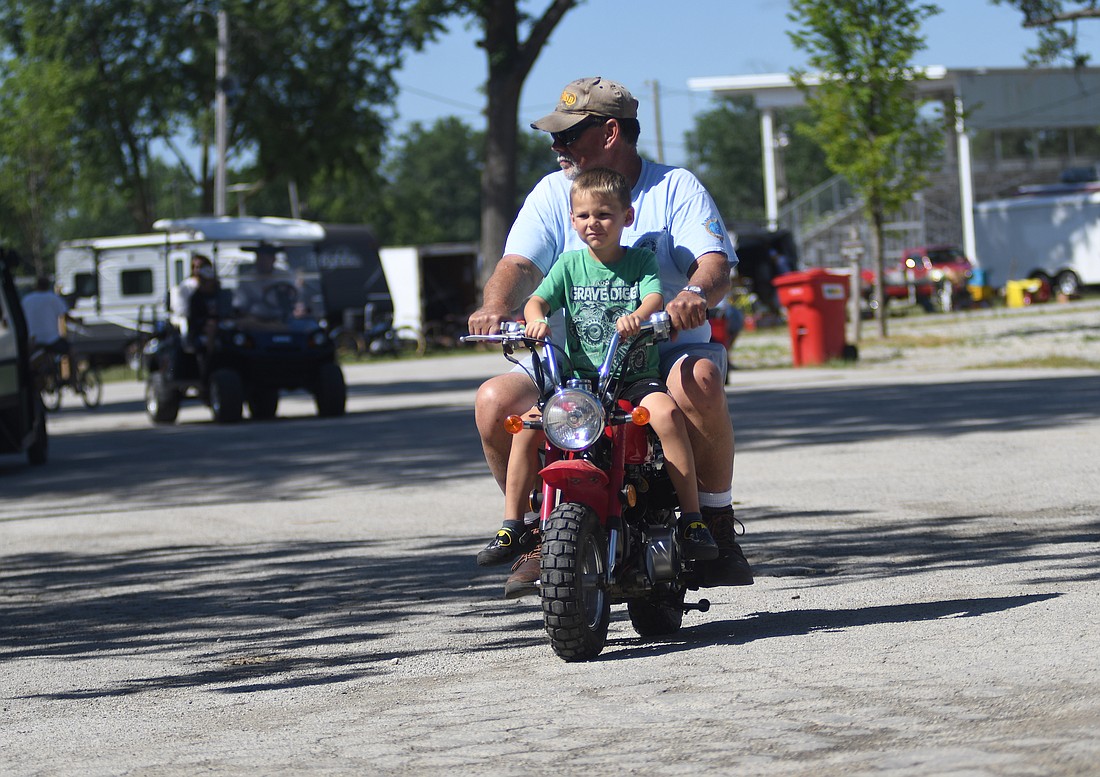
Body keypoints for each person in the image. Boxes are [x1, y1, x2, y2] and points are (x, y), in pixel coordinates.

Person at [468, 76, 753, 597]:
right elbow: (519, 263)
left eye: (569, 136)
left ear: (611, 132)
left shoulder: (675, 188)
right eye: (555, 137)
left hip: (661, 346)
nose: (558, 148)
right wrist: (494, 307)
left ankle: (713, 521)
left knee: (701, 380)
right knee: (494, 402)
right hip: (573, 358)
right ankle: (539, 529)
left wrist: (692, 294)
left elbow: (714, 264)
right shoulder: (555, 192)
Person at [477, 169, 719, 595]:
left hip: (631, 378)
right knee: (528, 425)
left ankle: (695, 518)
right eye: (584, 215)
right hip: (578, 380)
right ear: (572, 221)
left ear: (627, 217)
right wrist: (533, 322)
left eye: (605, 215)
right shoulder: (568, 265)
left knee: (664, 414)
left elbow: (654, 297)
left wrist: (641, 317)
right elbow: (537, 299)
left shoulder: (640, 260)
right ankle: (516, 524)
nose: (594, 223)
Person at [232, 243, 302, 324]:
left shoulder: (285, 276)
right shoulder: (247, 278)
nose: (263, 261)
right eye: (261, 258)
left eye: (267, 258)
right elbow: (241, 301)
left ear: (273, 259)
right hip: (256, 319)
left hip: (282, 318)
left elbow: (296, 296)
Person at [22, 276, 74, 377]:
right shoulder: (53, 298)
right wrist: (77, 321)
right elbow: (65, 316)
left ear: (36, 286)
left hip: (33, 340)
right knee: (71, 352)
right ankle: (74, 380)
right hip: (52, 339)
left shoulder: (26, 299)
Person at [170, 254, 213, 335]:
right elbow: (182, 310)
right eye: (196, 267)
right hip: (192, 320)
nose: (198, 270)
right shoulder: (186, 286)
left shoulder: (212, 284)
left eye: (202, 267)